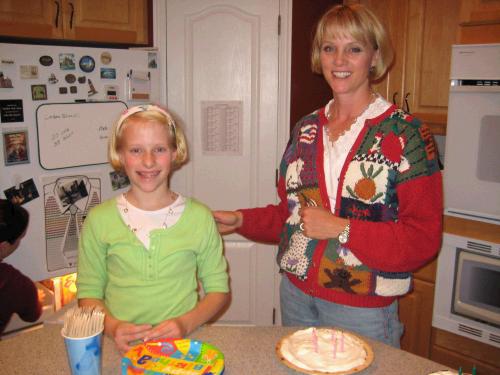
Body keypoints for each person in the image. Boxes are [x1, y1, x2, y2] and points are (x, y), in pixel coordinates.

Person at [213, 4, 442, 348]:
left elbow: (422, 239)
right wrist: (239, 220)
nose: (339, 60)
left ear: (375, 56)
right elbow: (291, 216)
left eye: (354, 49)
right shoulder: (305, 129)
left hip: (362, 309)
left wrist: (342, 228)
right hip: (296, 296)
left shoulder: (406, 134)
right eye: (329, 48)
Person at [77, 104, 230, 353]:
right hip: (119, 347)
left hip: (182, 344)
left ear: (174, 152)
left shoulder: (199, 218)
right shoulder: (98, 220)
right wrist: (113, 326)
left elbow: (218, 290)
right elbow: (88, 294)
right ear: (120, 154)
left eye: (159, 149)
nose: (148, 161)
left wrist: (184, 323)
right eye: (136, 150)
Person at [0, 199, 43, 334]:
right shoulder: (11, 282)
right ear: (4, 246)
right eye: (20, 238)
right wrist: (37, 298)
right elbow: (32, 315)